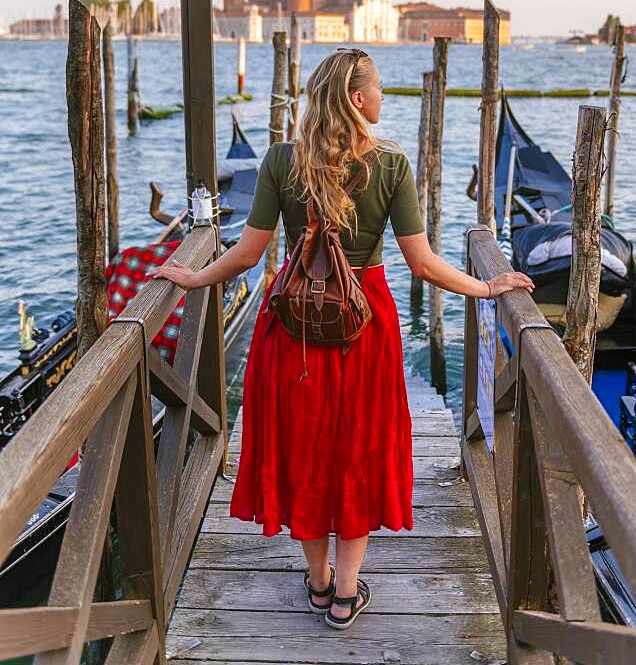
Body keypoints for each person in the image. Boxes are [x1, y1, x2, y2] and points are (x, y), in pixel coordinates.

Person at [149, 48, 534, 630]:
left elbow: (250, 255)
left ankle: (319, 580)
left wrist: (194, 277)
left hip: (292, 329)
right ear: (357, 100)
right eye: (378, 89)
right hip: (364, 324)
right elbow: (424, 265)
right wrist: (488, 288)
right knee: (357, 449)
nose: (383, 98)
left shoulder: (280, 161)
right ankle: (347, 593)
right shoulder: (391, 165)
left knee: (304, 448)